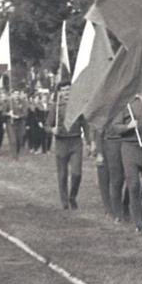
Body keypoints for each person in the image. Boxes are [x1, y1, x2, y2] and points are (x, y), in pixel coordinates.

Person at [115, 91, 142, 231]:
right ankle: (138, 222)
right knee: (133, 185)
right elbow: (115, 126)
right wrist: (128, 127)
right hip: (129, 146)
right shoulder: (125, 101)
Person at [46, 82, 86, 210]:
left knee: (77, 173)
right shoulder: (56, 107)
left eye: (69, 90)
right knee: (62, 174)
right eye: (63, 91)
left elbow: (85, 125)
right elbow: (47, 125)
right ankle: (64, 201)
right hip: (61, 142)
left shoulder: (78, 106)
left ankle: (72, 196)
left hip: (76, 142)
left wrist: (91, 142)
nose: (66, 93)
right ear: (60, 93)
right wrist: (52, 130)